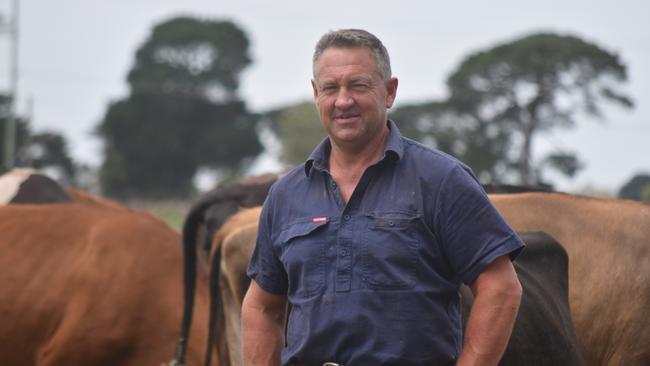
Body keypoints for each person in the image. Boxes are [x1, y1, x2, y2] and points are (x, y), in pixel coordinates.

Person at [242, 29, 524, 366]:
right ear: (316, 94)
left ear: (389, 92)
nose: (343, 100)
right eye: (331, 88)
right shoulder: (286, 194)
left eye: (358, 86)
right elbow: (260, 306)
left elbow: (501, 288)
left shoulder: (441, 180)